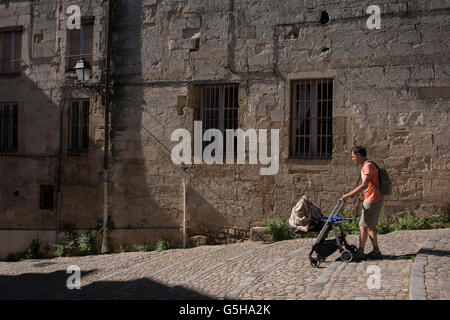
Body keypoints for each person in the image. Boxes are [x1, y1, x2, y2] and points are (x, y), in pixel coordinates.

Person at [342, 146, 384, 259]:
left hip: (372, 199)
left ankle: (370, 251)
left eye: (353, 157)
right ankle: (370, 250)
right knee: (365, 226)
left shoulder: (368, 166)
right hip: (372, 198)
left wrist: (349, 194)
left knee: (367, 226)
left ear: (358, 155)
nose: (353, 159)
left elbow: (364, 185)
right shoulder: (368, 165)